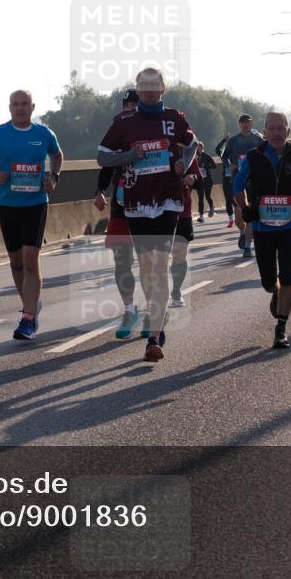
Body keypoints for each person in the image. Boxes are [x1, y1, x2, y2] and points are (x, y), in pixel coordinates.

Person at [98, 67, 197, 362]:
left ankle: (154, 336)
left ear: (163, 89)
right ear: (138, 89)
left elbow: (192, 145)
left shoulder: (174, 118)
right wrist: (129, 156)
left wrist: (183, 164)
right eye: (145, 86)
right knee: (146, 266)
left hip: (168, 200)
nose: (150, 90)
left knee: (159, 265)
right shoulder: (124, 122)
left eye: (156, 85)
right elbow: (102, 156)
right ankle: (157, 314)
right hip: (137, 203)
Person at [0, 90, 63, 341]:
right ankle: (31, 306)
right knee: (16, 262)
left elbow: (57, 156)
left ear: (32, 107)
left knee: (30, 261)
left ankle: (27, 318)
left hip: (36, 203)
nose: (20, 108)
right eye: (15, 104)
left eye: (24, 104)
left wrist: (54, 177)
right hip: (7, 204)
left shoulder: (44, 134)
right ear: (9, 107)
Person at [234, 111, 291, 349]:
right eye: (271, 128)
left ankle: (281, 328)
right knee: (268, 281)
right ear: (264, 132)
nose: (276, 133)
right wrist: (245, 208)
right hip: (262, 226)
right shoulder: (254, 156)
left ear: (288, 131)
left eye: (280, 128)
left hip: (289, 225)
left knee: (288, 275)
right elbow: (237, 184)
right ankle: (275, 291)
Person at [94, 89, 141, 339]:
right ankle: (130, 310)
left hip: (152, 205)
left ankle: (156, 309)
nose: (130, 109)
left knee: (151, 261)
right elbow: (106, 162)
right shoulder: (117, 129)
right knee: (122, 261)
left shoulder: (156, 126)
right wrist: (100, 191)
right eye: (127, 105)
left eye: (135, 104)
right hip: (122, 204)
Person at [221, 115, 265, 257]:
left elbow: (267, 156)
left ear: (252, 123)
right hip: (238, 181)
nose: (245, 125)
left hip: (254, 182)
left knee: (250, 213)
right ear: (239, 125)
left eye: (248, 122)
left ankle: (247, 247)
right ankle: (242, 232)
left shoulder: (259, 140)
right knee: (239, 218)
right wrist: (229, 165)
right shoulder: (233, 141)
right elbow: (223, 156)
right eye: (243, 123)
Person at [170, 159, 202, 307]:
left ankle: (176, 290)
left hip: (182, 211)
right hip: (154, 211)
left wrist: (193, 178)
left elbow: (200, 182)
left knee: (179, 255)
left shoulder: (188, 154)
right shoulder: (151, 148)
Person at [194, 142, 217, 222]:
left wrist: (206, 166)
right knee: (200, 198)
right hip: (199, 180)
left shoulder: (207, 156)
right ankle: (201, 216)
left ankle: (211, 207)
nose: (198, 150)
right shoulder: (194, 157)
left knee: (207, 196)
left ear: (202, 148)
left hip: (208, 179)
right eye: (197, 148)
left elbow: (214, 166)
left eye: (200, 148)